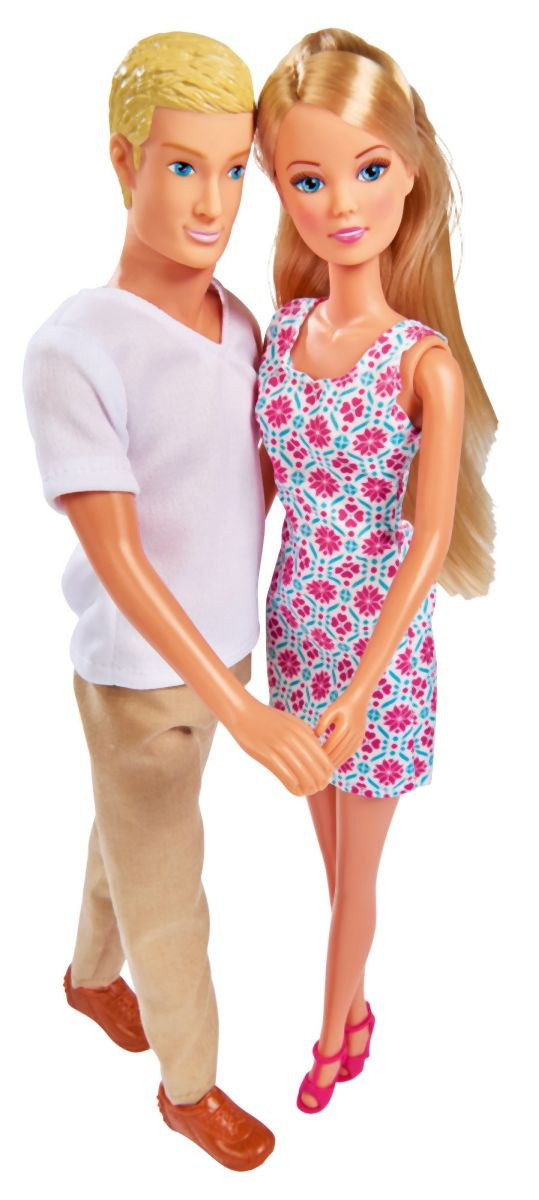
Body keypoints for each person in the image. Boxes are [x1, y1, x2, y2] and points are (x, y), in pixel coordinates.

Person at [22, 30, 333, 1169]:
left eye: (235, 169)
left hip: (226, 656)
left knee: (129, 835)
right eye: (182, 166)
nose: (213, 203)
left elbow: (253, 486)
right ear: (124, 161)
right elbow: (119, 559)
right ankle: (188, 1087)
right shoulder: (76, 349)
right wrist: (237, 710)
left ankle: (86, 977)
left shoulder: (243, 324)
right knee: (171, 887)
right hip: (142, 682)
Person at [254, 27, 497, 1113]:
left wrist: (362, 685)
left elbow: (425, 541)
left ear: (409, 171)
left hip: (376, 661)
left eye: (366, 169)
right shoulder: (280, 334)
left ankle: (328, 1035)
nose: (340, 203)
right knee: (328, 857)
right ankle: (352, 1009)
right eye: (308, 179)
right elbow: (257, 489)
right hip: (294, 639)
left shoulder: (422, 367)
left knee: (356, 874)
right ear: (279, 188)